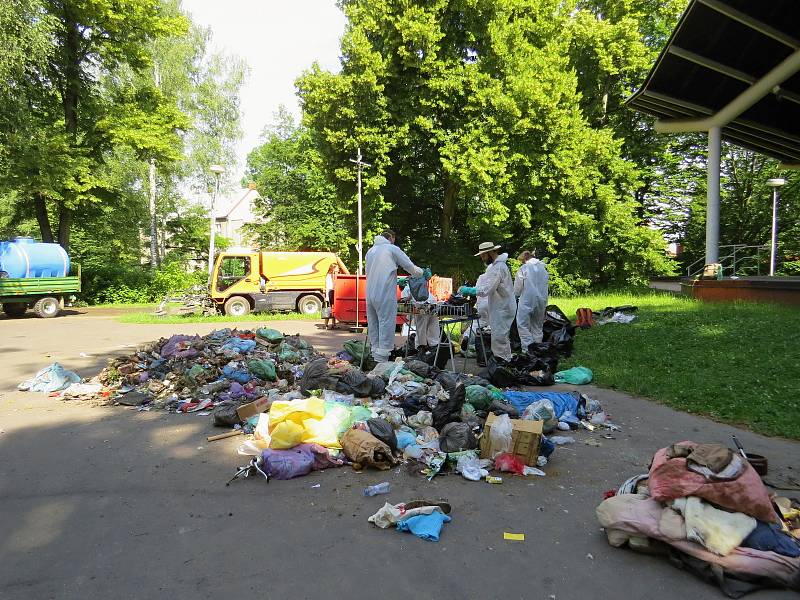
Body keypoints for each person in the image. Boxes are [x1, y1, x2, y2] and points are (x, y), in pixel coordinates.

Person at [365, 230, 423, 362]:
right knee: (386, 324)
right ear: (391, 237)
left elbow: (375, 272)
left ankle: (374, 362)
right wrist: (421, 273)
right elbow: (409, 267)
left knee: (374, 325)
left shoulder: (370, 251)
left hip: (370, 293)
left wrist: (395, 279)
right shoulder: (391, 249)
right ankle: (382, 364)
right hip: (384, 293)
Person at [474, 241, 516, 363]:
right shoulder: (498, 266)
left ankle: (502, 366)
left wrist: (471, 290)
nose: (482, 258)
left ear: (490, 253)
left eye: (483, 255)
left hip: (503, 308)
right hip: (502, 306)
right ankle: (505, 364)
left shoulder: (498, 268)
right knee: (501, 338)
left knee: (499, 339)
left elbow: (487, 289)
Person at [514, 250, 549, 351]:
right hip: (541, 300)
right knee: (537, 326)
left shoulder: (523, 268)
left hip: (527, 300)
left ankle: (528, 350)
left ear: (524, 259)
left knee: (523, 325)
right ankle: (538, 349)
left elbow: (517, 289)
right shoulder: (543, 268)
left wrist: (514, 297)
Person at [400, 277, 440, 353]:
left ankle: (421, 348)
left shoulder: (405, 289)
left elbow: (405, 303)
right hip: (433, 305)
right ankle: (434, 347)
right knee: (433, 328)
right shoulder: (417, 284)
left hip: (422, 308)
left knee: (421, 329)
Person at [324, 263, 340, 330]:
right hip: (330, 292)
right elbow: (332, 285)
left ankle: (333, 324)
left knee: (333, 308)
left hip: (332, 292)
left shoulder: (331, 275)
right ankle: (326, 324)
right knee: (330, 309)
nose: (338, 269)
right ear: (333, 268)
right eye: (337, 268)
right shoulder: (331, 275)